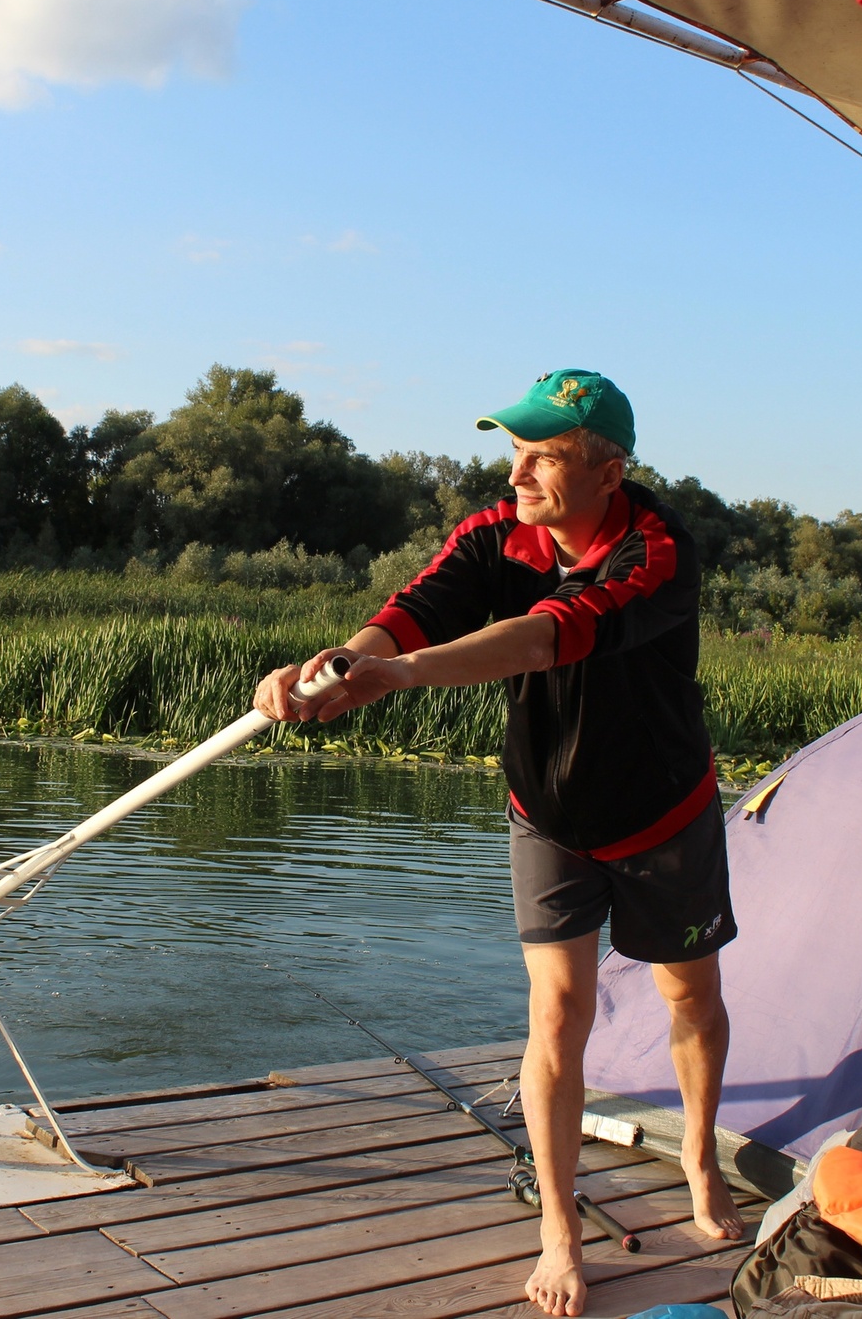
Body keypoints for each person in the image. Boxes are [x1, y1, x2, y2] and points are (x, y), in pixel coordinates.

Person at [254, 369, 741, 1319]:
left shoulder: (659, 550)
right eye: (513, 452)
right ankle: (559, 1227)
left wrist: (396, 677)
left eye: (544, 457)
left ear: (609, 469)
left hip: (663, 813)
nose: (519, 474)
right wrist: (342, 665)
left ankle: (696, 1152)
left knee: (692, 995)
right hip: (547, 814)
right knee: (559, 1012)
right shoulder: (495, 533)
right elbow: (420, 605)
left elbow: (542, 638)